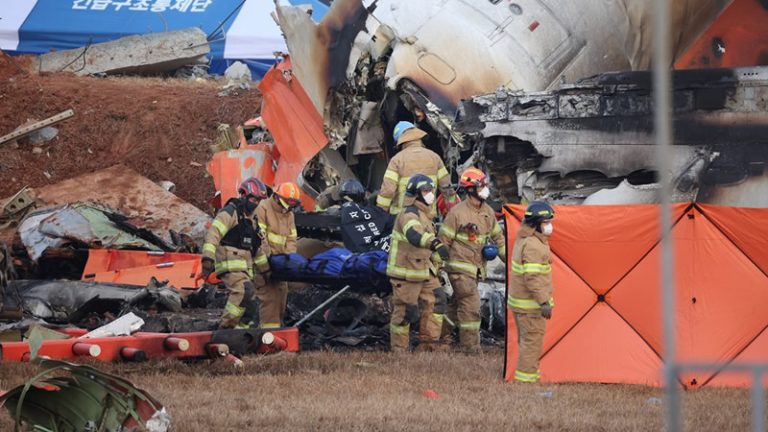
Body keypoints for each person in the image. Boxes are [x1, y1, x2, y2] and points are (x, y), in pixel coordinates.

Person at [439, 167, 506, 353]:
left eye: (485, 184)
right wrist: (437, 268)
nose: (485, 188)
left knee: (456, 305)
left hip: (476, 268)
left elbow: (499, 240)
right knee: (471, 306)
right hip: (459, 269)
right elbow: (443, 242)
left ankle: (439, 337)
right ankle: (471, 348)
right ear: (470, 189)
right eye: (481, 185)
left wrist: (511, 262)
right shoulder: (457, 214)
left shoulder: (487, 212)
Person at [387, 174, 450, 352]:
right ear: (416, 194)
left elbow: (426, 247)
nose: (430, 194)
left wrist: (438, 262)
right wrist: (435, 243)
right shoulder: (409, 214)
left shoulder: (424, 214)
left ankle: (428, 346)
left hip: (423, 270)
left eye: (431, 190)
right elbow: (414, 235)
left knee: (438, 300)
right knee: (406, 311)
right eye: (426, 191)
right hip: (405, 272)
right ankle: (399, 351)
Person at [200, 177, 270, 329]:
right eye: (253, 199)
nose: (256, 203)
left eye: (259, 200)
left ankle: (240, 334)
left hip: (245, 269)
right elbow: (214, 234)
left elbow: (256, 248)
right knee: (242, 291)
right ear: (243, 195)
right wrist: (207, 259)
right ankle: (225, 329)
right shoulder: (230, 213)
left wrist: (266, 271)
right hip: (228, 263)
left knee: (251, 300)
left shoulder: (253, 221)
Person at [509, 200, 556, 383]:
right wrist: (544, 301)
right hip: (530, 306)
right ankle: (526, 382)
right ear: (536, 224)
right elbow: (533, 277)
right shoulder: (534, 246)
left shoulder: (525, 240)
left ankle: (528, 378)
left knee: (527, 342)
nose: (549, 226)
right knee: (532, 344)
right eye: (546, 222)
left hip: (521, 303)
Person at [376, 121, 456, 216]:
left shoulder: (397, 160)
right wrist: (453, 213)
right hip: (428, 216)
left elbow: (388, 191)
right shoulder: (434, 157)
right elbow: (447, 188)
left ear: (400, 141)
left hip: (401, 218)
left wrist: (379, 215)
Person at [255, 181, 301, 328]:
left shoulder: (289, 214)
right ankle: (269, 337)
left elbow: (292, 239)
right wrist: (269, 262)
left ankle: (279, 333)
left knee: (281, 298)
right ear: (276, 197)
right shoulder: (262, 209)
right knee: (269, 300)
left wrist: (288, 260)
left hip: (281, 265)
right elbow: (260, 239)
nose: (286, 207)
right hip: (265, 264)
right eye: (286, 203)